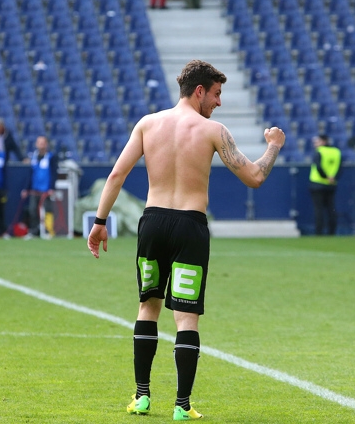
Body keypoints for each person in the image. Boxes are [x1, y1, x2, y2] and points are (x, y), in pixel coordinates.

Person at [87, 60, 285, 420]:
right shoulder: (213, 131)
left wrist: (100, 221)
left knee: (148, 307)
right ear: (199, 91)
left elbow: (117, 173)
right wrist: (273, 145)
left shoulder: (147, 124)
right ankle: (181, 405)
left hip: (152, 223)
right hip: (190, 226)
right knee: (186, 317)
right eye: (216, 94)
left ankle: (142, 396)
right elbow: (255, 177)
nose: (219, 102)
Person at [21, 136, 58, 239]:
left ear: (46, 144)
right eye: (39, 142)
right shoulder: (34, 157)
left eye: (43, 142)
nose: (41, 144)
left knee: (48, 210)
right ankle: (34, 231)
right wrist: (26, 188)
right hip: (34, 189)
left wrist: (52, 188)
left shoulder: (51, 157)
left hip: (46, 189)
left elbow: (54, 173)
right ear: (36, 144)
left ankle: (48, 231)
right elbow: (30, 174)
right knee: (33, 210)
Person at [308, 134, 342, 235]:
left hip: (317, 183)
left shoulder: (319, 151)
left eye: (317, 141)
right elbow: (340, 168)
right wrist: (333, 178)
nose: (315, 144)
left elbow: (318, 167)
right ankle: (332, 232)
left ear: (323, 141)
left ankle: (319, 232)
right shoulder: (337, 151)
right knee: (331, 209)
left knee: (319, 210)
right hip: (331, 185)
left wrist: (325, 177)